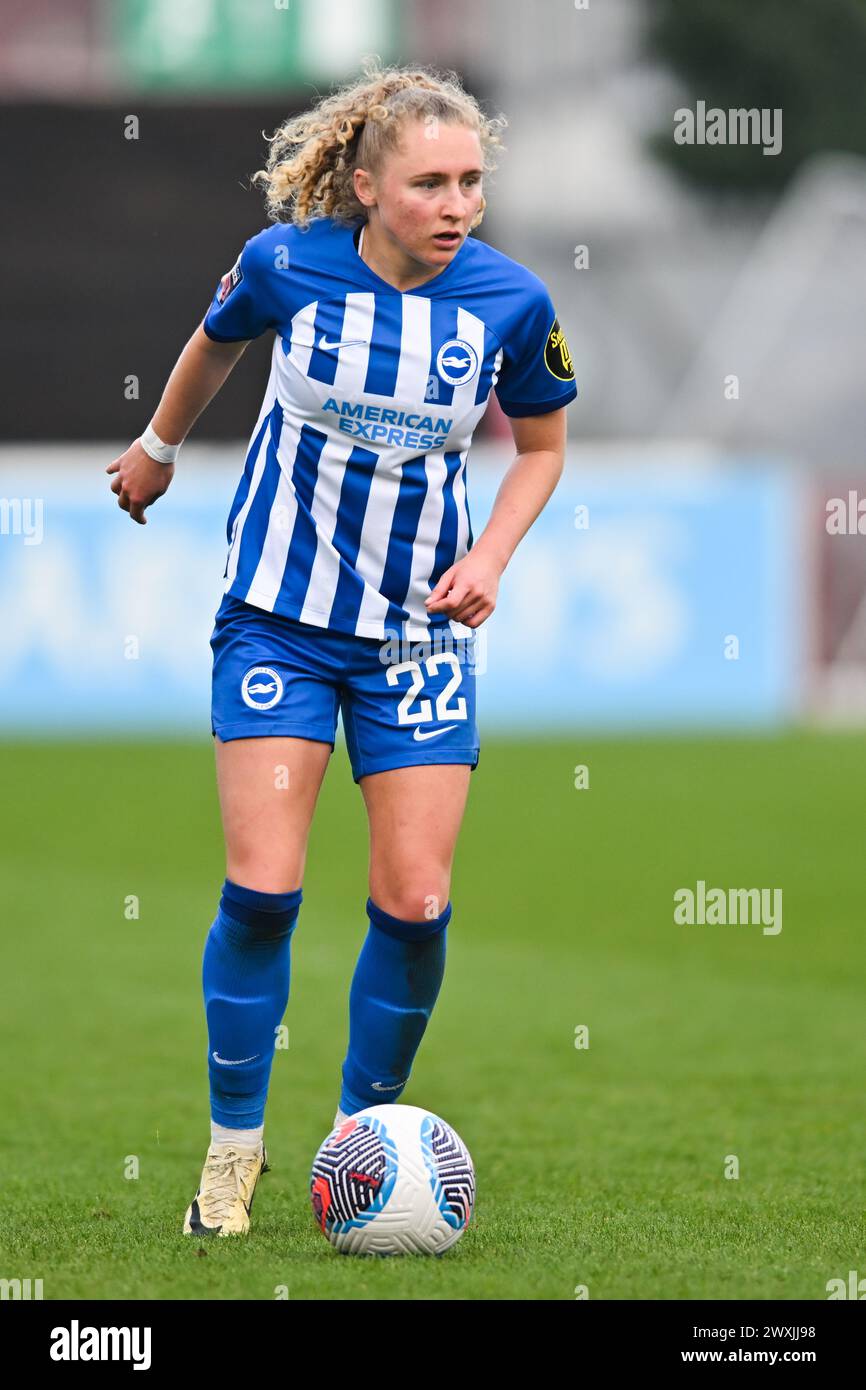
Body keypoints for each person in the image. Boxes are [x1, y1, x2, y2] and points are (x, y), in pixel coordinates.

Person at [106, 59, 576, 1237]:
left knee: (414, 903)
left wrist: (491, 559)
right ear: (365, 186)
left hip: (415, 638)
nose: (456, 202)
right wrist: (159, 444)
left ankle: (353, 1142)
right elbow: (215, 342)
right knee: (263, 894)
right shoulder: (286, 263)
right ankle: (231, 1150)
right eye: (429, 182)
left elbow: (541, 450)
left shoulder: (512, 305)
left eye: (470, 181)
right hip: (279, 619)